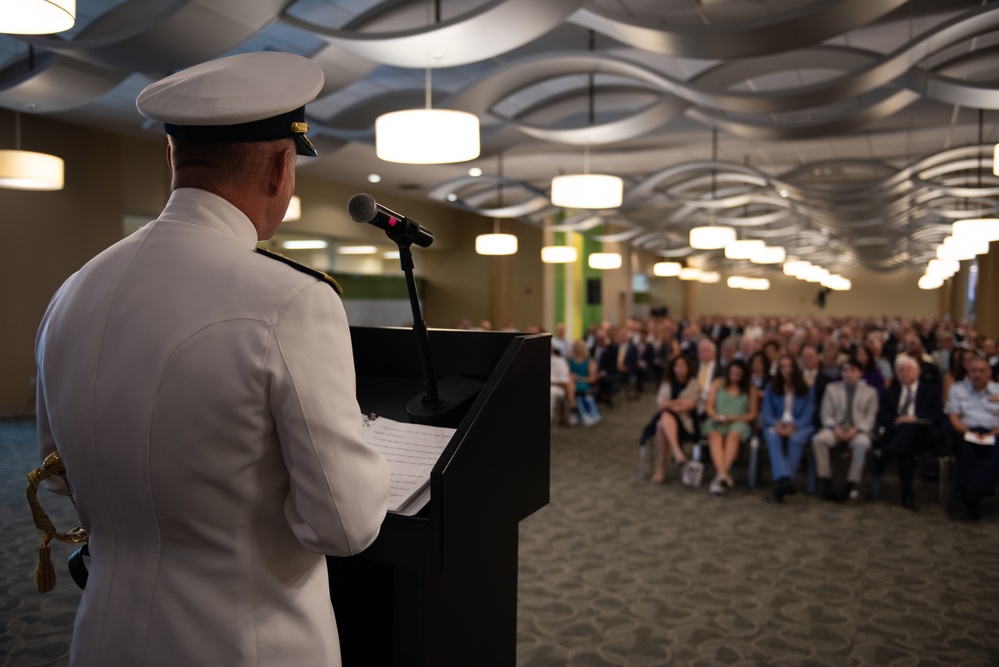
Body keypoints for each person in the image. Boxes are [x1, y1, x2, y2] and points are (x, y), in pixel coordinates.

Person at [34, 53, 391, 666]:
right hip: (246, 642)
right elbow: (344, 524)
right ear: (283, 166)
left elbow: (58, 471)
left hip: (103, 636)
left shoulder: (74, 291)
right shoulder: (291, 299)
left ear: (173, 159)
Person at [874, 355, 944, 511]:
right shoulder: (891, 391)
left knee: (908, 429)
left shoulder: (930, 390)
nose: (905, 374)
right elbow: (881, 415)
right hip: (898, 435)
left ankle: (886, 454)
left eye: (908, 370)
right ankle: (907, 492)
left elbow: (938, 415)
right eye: (901, 371)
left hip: (923, 435)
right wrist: (898, 420)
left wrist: (915, 418)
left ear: (918, 372)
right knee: (904, 447)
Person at [812, 356, 879, 501]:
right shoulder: (832, 389)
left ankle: (851, 483)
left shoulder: (870, 392)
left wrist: (856, 430)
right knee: (819, 439)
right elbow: (826, 413)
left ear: (860, 373)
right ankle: (825, 480)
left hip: (858, 430)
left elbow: (870, 418)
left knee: (862, 444)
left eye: (853, 371)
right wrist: (835, 428)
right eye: (845, 370)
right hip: (835, 428)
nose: (848, 374)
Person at [945, 356, 999, 520]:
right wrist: (967, 431)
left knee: (997, 453)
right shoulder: (957, 389)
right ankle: (971, 493)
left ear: (989, 372)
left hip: (993, 432)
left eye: (982, 371)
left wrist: (994, 433)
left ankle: (971, 489)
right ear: (968, 372)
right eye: (974, 371)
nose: (977, 375)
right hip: (966, 430)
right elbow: (953, 417)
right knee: (966, 450)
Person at [761, 354, 815, 502]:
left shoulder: (807, 389)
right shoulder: (771, 387)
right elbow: (766, 414)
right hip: (777, 423)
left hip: (800, 425)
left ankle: (781, 483)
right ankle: (786, 480)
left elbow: (807, 414)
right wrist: (777, 424)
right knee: (772, 438)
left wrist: (794, 426)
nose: (787, 370)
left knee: (796, 440)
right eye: (783, 367)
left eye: (790, 366)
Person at [702, 358, 758, 495]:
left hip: (739, 421)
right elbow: (709, 407)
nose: (734, 375)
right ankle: (723, 475)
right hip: (718, 420)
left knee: (733, 435)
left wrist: (733, 418)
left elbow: (751, 414)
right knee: (714, 434)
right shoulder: (718, 383)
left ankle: (720, 475)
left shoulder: (750, 389)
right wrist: (716, 416)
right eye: (732, 372)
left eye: (738, 373)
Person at [648, 355, 700, 483]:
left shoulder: (694, 384)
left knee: (662, 423)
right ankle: (677, 452)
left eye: (683, 365)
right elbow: (660, 404)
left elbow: (688, 406)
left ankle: (661, 469)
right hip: (667, 419)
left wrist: (671, 403)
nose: (680, 368)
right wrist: (678, 403)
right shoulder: (666, 384)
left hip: (685, 422)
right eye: (677, 365)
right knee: (663, 419)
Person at [568, 339, 601, 426]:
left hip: (583, 382)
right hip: (571, 382)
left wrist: (578, 378)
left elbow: (592, 379)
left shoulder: (589, 361)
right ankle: (573, 407)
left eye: (579, 347)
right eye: (575, 347)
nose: (577, 349)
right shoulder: (569, 360)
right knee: (569, 384)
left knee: (572, 385)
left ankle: (574, 409)